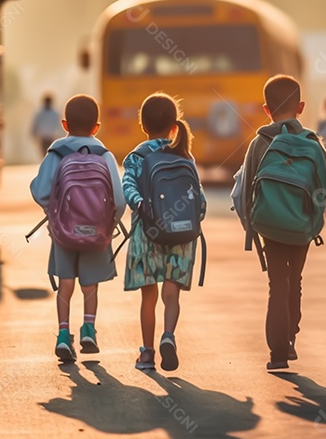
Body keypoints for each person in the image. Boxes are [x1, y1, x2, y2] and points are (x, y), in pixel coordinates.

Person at [239, 75, 326, 370]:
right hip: (302, 225)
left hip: (269, 224)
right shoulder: (313, 143)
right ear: (301, 107)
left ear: (266, 109)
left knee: (277, 282)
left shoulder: (259, 143)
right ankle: (291, 336)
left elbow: (245, 189)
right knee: (296, 281)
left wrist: (250, 228)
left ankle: (278, 353)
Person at [29, 94, 125, 363]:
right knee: (90, 284)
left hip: (63, 232)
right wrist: (109, 223)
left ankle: (62, 334)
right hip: (96, 232)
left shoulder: (56, 152)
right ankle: (89, 330)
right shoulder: (104, 155)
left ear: (64, 124)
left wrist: (54, 213)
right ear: (97, 126)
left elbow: (40, 191)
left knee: (65, 283)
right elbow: (118, 199)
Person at [122, 93, 206, 372]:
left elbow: (128, 189)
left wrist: (141, 206)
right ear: (174, 126)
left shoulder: (137, 156)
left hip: (149, 231)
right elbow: (200, 201)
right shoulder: (184, 154)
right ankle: (168, 335)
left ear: (143, 125)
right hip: (181, 233)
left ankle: (147, 354)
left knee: (149, 296)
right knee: (172, 293)